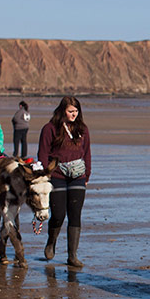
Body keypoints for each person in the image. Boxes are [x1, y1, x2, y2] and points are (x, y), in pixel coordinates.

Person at [38, 96, 91, 268]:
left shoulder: (83, 129)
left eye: (76, 111)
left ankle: (72, 256)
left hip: (78, 177)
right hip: (57, 176)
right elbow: (43, 153)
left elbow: (87, 153)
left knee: (75, 215)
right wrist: (45, 175)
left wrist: (87, 176)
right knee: (58, 215)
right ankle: (51, 242)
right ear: (62, 111)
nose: (74, 114)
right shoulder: (49, 129)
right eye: (70, 111)